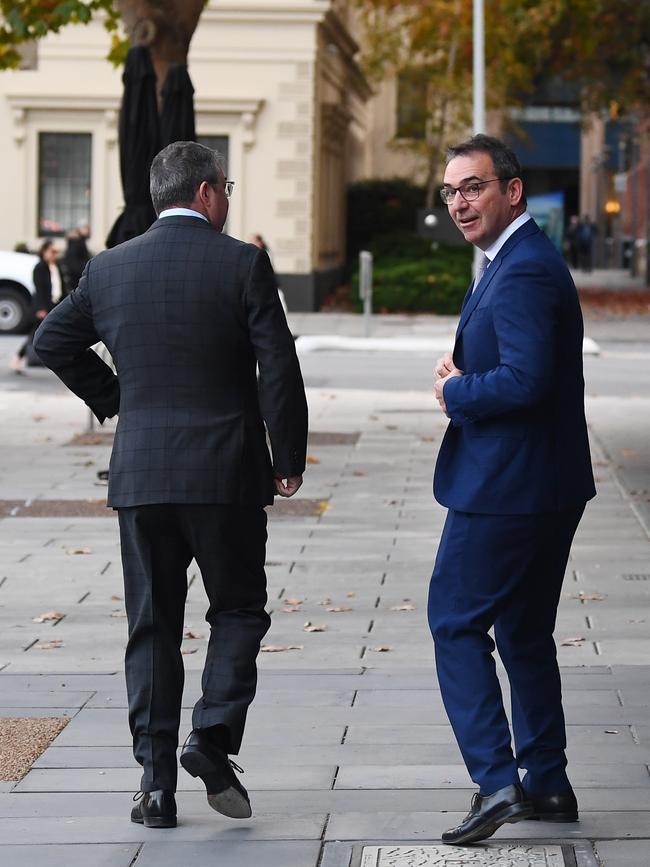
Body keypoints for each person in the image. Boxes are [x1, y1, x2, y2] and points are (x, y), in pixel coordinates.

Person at [33, 141, 308, 829]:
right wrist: (288, 455)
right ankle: (211, 736)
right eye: (229, 188)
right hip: (227, 474)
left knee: (152, 623)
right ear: (211, 191)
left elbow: (53, 344)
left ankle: (155, 785)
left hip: (142, 475)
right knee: (239, 607)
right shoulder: (243, 262)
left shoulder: (110, 268)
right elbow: (278, 368)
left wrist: (120, 397)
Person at [430, 134, 596, 846]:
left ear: (513, 190)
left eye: (473, 187)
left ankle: (497, 778)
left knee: (453, 620)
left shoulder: (524, 268)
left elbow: (529, 380)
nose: (460, 202)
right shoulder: (511, 261)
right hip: (540, 480)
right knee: (523, 630)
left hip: (509, 486)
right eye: (451, 192)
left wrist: (455, 388)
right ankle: (547, 782)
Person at [10, 239, 65, 373]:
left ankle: (55, 360)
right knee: (36, 333)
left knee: (54, 332)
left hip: (55, 304)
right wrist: (41, 308)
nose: (54, 255)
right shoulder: (40, 267)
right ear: (44, 252)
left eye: (56, 252)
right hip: (44, 306)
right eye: (52, 251)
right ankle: (18, 358)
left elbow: (61, 287)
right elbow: (40, 289)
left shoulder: (56, 266)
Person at [60, 222, 92, 292]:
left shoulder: (79, 241)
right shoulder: (77, 242)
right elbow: (74, 262)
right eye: (86, 228)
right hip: (76, 276)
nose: (89, 230)